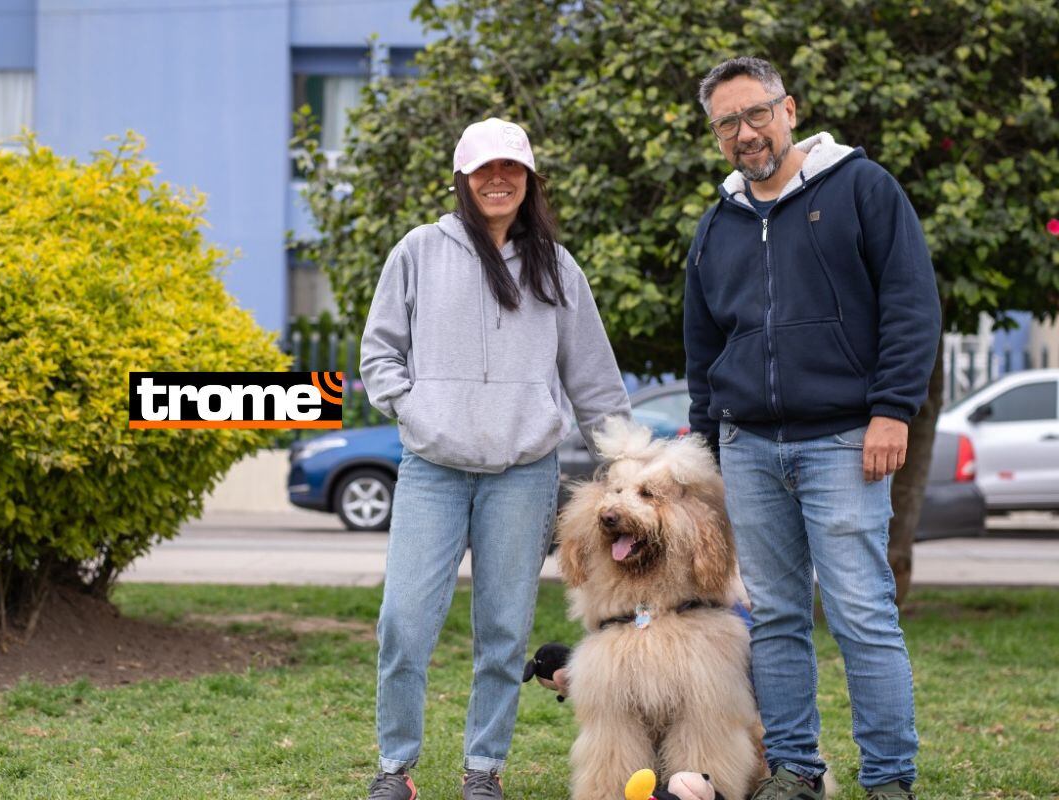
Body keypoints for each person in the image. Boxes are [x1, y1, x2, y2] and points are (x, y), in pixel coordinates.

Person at [683, 57, 940, 800]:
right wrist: (707, 448)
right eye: (727, 123)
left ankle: (889, 777)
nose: (745, 132)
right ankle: (796, 769)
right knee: (776, 618)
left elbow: (910, 304)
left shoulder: (862, 188)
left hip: (843, 440)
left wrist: (892, 408)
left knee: (861, 611)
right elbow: (703, 348)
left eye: (755, 112)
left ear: (788, 108)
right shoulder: (717, 225)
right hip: (749, 446)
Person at [360, 117, 630, 800]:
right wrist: (417, 409)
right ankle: (396, 769)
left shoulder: (557, 265)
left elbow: (594, 379)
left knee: (504, 628)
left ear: (529, 178)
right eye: (484, 169)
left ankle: (484, 768)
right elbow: (379, 354)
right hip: (433, 469)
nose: (498, 179)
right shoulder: (419, 250)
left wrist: (623, 461)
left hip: (523, 471)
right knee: (403, 620)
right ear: (463, 178)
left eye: (511, 167)